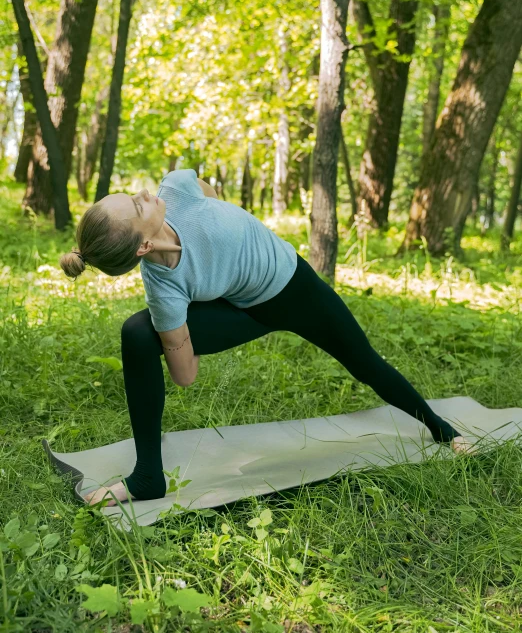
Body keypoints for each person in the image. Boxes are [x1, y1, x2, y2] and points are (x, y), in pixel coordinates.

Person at [60, 169, 474, 507]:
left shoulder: (178, 190)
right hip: (243, 310)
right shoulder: (164, 289)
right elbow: (185, 377)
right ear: (143, 246)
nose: (145, 192)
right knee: (136, 332)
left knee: (365, 363)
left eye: (133, 194)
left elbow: (209, 194)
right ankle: (148, 477)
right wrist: (178, 334)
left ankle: (441, 430)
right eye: (136, 204)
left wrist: (224, 246)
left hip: (296, 290)